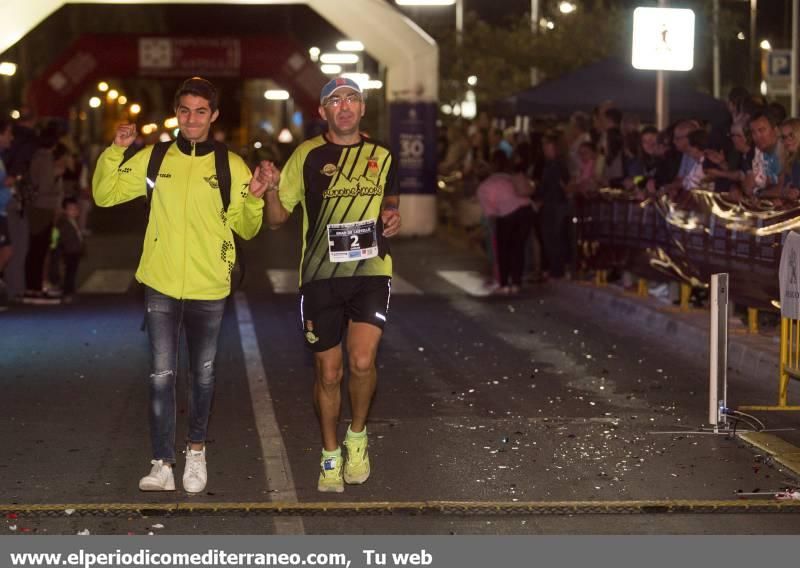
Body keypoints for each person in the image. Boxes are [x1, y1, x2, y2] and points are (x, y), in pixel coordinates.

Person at [93, 77, 273, 493]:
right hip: (160, 282)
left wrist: (256, 196)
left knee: (203, 375)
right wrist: (117, 150)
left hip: (209, 285)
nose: (192, 119)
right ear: (177, 113)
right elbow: (104, 196)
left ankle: (195, 452)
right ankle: (161, 463)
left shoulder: (231, 165)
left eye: (201, 111)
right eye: (185, 110)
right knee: (160, 374)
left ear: (214, 116)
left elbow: (246, 227)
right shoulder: (154, 158)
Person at [264, 77, 401, 493]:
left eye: (352, 99)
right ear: (323, 112)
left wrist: (393, 216)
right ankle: (329, 454)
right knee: (329, 372)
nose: (344, 106)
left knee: (361, 362)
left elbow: (390, 203)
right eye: (334, 101)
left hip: (371, 273)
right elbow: (276, 219)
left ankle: (356, 436)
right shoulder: (306, 156)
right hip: (321, 278)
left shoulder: (382, 154)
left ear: (362, 109)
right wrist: (270, 192)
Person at [50, 197, 84, 302]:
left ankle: (70, 291)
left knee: (72, 272)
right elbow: (61, 239)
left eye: (75, 209)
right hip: (69, 252)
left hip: (74, 251)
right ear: (64, 210)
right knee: (69, 273)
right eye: (71, 209)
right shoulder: (64, 223)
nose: (74, 211)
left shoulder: (73, 221)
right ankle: (67, 292)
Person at [0, 119, 14, 308]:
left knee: (7, 250)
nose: (11, 138)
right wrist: (8, 184)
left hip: (2, 210)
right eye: (8, 133)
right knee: (6, 250)